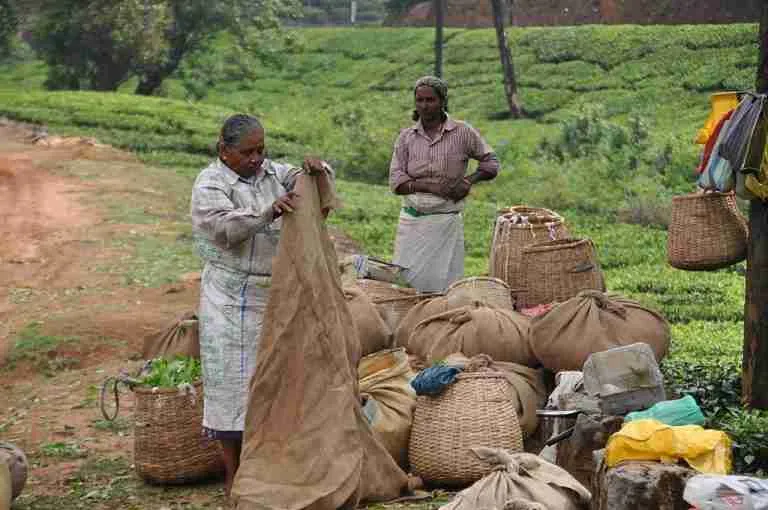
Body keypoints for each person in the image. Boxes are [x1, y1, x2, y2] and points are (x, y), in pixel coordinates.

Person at [190, 114, 331, 496]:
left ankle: (269, 464)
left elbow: (303, 182)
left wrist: (316, 173)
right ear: (224, 150)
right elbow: (225, 228)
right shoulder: (210, 183)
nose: (257, 159)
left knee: (273, 382)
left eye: (261, 150)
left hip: (272, 293)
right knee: (232, 388)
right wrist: (269, 211)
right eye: (248, 152)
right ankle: (233, 473)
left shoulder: (271, 173)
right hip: (229, 295)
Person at [388, 76, 500, 293]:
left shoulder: (462, 132)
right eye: (419, 100)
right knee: (406, 287)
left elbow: (492, 163)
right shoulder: (406, 137)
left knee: (443, 286)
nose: (424, 105)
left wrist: (469, 180)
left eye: (430, 100)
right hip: (412, 221)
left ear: (442, 101)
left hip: (445, 223)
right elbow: (396, 181)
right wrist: (431, 187)